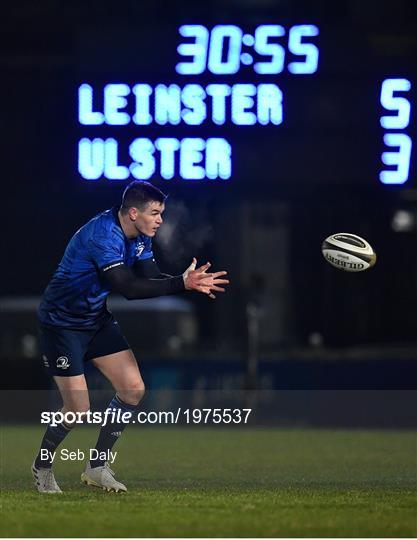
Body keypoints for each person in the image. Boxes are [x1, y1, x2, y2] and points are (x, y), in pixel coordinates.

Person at [33, 180, 229, 493]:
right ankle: (42, 466)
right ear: (134, 213)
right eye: (155, 213)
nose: (160, 220)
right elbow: (129, 289)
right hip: (62, 324)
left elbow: (151, 278)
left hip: (95, 319)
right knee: (78, 409)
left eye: (162, 213)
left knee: (133, 390)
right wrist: (181, 284)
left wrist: (185, 280)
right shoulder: (103, 235)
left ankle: (97, 467)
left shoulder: (139, 236)